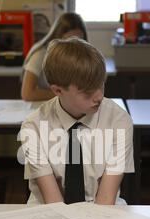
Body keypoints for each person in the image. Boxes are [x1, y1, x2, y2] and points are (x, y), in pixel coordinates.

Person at [19, 38, 134, 205]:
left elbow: (106, 199)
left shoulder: (119, 121)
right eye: (87, 93)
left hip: (102, 212)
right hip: (49, 213)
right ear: (57, 90)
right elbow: (53, 202)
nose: (99, 97)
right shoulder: (34, 127)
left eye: (101, 85)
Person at [21, 12, 88, 101]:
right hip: (43, 105)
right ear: (57, 38)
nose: (74, 46)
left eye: (79, 40)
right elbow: (27, 94)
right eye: (69, 40)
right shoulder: (40, 54)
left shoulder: (82, 54)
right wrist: (64, 95)